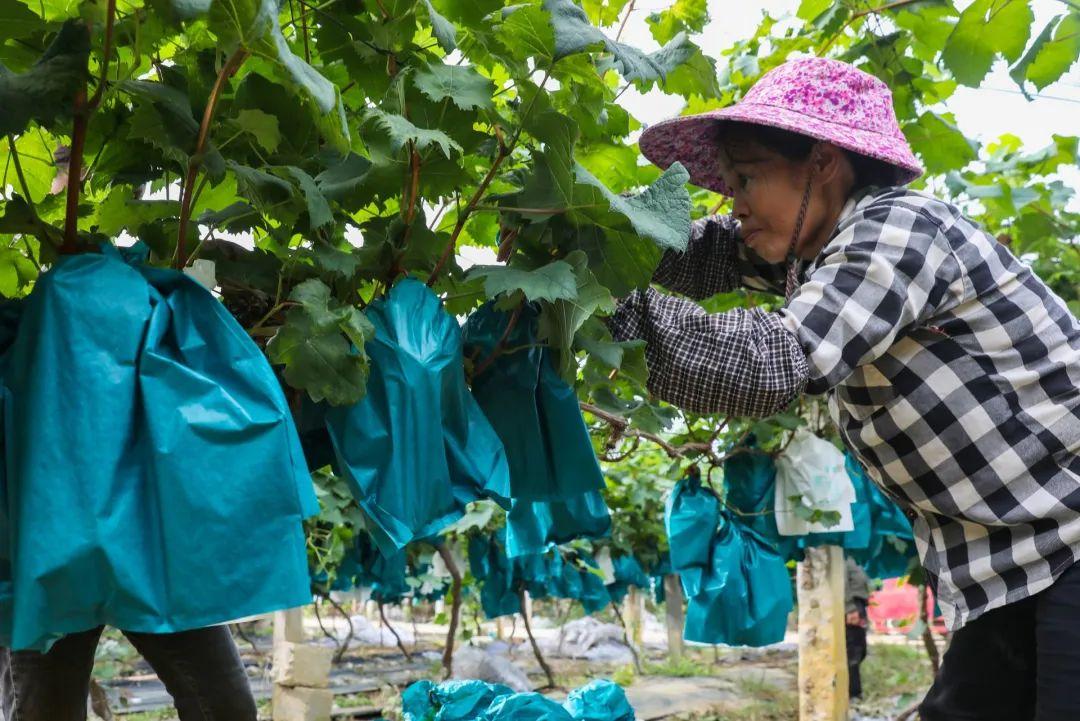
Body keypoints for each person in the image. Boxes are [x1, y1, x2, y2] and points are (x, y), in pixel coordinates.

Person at [609, 56, 1080, 721]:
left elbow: (772, 361)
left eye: (747, 177)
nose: (735, 203)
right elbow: (704, 250)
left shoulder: (897, 231)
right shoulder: (813, 257)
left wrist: (615, 314)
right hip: (1005, 565)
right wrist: (594, 240)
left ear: (824, 163)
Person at [844, 556, 871, 700]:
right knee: (853, 652)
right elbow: (841, 581)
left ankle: (853, 691)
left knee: (859, 650)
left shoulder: (853, 554)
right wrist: (849, 608)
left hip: (858, 605)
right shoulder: (843, 556)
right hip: (852, 606)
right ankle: (853, 693)